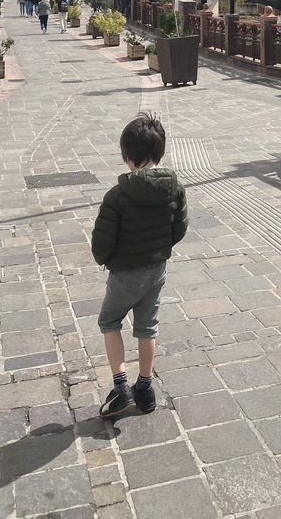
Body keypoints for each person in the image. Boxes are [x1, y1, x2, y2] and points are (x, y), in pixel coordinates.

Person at [91, 113, 188, 418]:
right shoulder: (174, 188)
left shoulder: (117, 196)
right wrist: (161, 247)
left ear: (127, 156)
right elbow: (180, 227)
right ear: (159, 152)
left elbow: (102, 241)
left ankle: (120, 388)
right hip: (156, 269)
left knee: (110, 322)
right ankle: (144, 388)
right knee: (147, 327)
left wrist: (105, 259)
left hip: (125, 273)